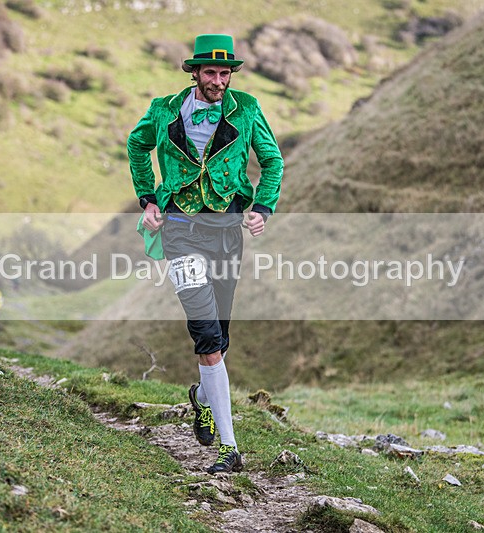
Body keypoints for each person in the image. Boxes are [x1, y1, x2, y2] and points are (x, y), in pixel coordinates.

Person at [127, 34, 284, 474]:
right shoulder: (163, 110)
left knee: (220, 334)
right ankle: (229, 450)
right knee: (207, 336)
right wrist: (148, 199)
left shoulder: (247, 109)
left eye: (225, 73)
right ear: (194, 72)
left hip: (226, 231)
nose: (218, 81)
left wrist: (262, 208)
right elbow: (137, 146)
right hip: (179, 229)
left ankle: (201, 396)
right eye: (210, 72)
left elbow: (272, 161)